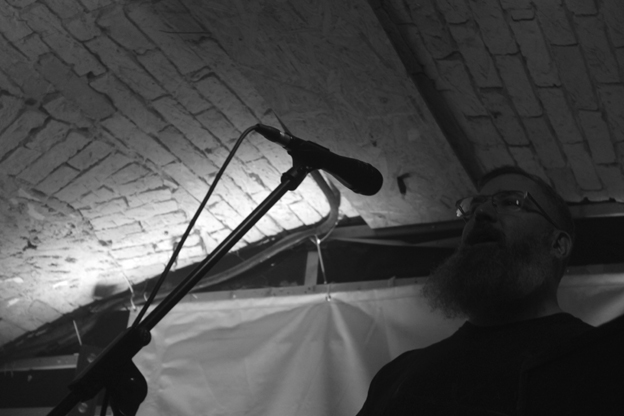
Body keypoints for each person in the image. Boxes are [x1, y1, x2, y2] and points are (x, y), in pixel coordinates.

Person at [356, 166, 594, 416]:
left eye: (511, 202)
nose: (480, 213)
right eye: (474, 206)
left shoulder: (602, 363)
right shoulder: (397, 377)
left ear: (557, 244)